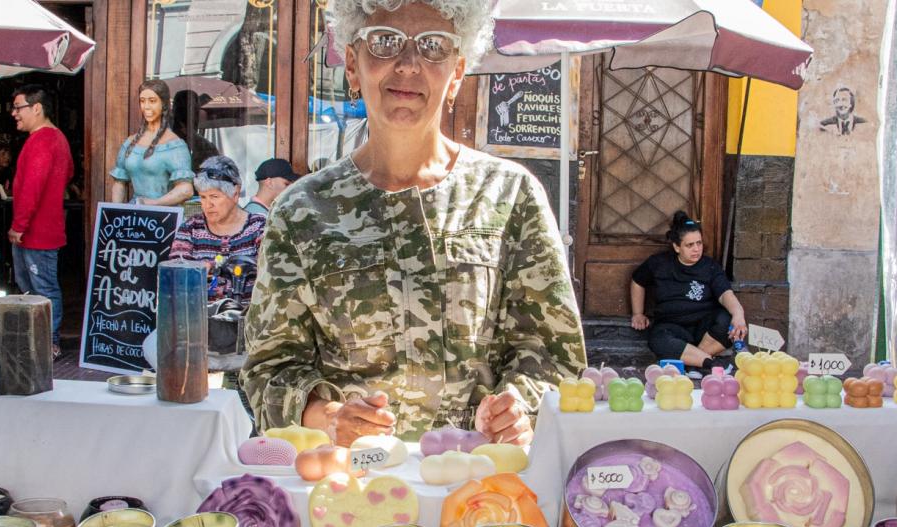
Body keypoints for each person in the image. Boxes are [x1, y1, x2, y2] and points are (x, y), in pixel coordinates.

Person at [242, 0, 586, 447]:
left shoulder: (510, 196)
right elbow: (268, 369)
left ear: (457, 72)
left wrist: (520, 407)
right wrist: (327, 415)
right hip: (352, 492)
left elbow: (553, 353)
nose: (407, 65)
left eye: (433, 46)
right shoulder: (301, 211)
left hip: (483, 485)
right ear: (352, 64)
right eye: (384, 42)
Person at [630, 211, 747, 371]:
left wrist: (738, 314)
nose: (696, 249)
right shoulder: (659, 264)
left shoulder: (710, 267)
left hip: (704, 329)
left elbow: (725, 294)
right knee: (658, 340)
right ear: (676, 247)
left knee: (726, 319)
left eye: (699, 243)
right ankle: (710, 364)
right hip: (671, 326)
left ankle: (691, 364)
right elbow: (637, 281)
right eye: (689, 245)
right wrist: (638, 313)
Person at [8, 83, 74, 359]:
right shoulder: (56, 138)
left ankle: (49, 343)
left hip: (36, 232)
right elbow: (68, 173)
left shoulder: (42, 140)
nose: (13, 113)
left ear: (37, 108)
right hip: (43, 228)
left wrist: (18, 225)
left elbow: (31, 187)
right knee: (38, 289)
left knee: (41, 290)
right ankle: (42, 341)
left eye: (18, 107)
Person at [169, 155, 266, 306]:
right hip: (200, 321)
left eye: (214, 196)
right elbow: (176, 276)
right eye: (203, 197)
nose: (208, 205)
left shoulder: (259, 227)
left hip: (249, 322)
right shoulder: (191, 229)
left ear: (235, 194)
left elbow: (270, 272)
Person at [110, 80, 194, 206]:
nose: (146, 106)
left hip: (163, 215)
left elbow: (186, 190)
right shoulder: (130, 142)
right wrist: (116, 211)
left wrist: (153, 203)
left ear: (164, 104)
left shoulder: (175, 145)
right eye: (142, 101)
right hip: (134, 214)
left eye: (152, 101)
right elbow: (119, 182)